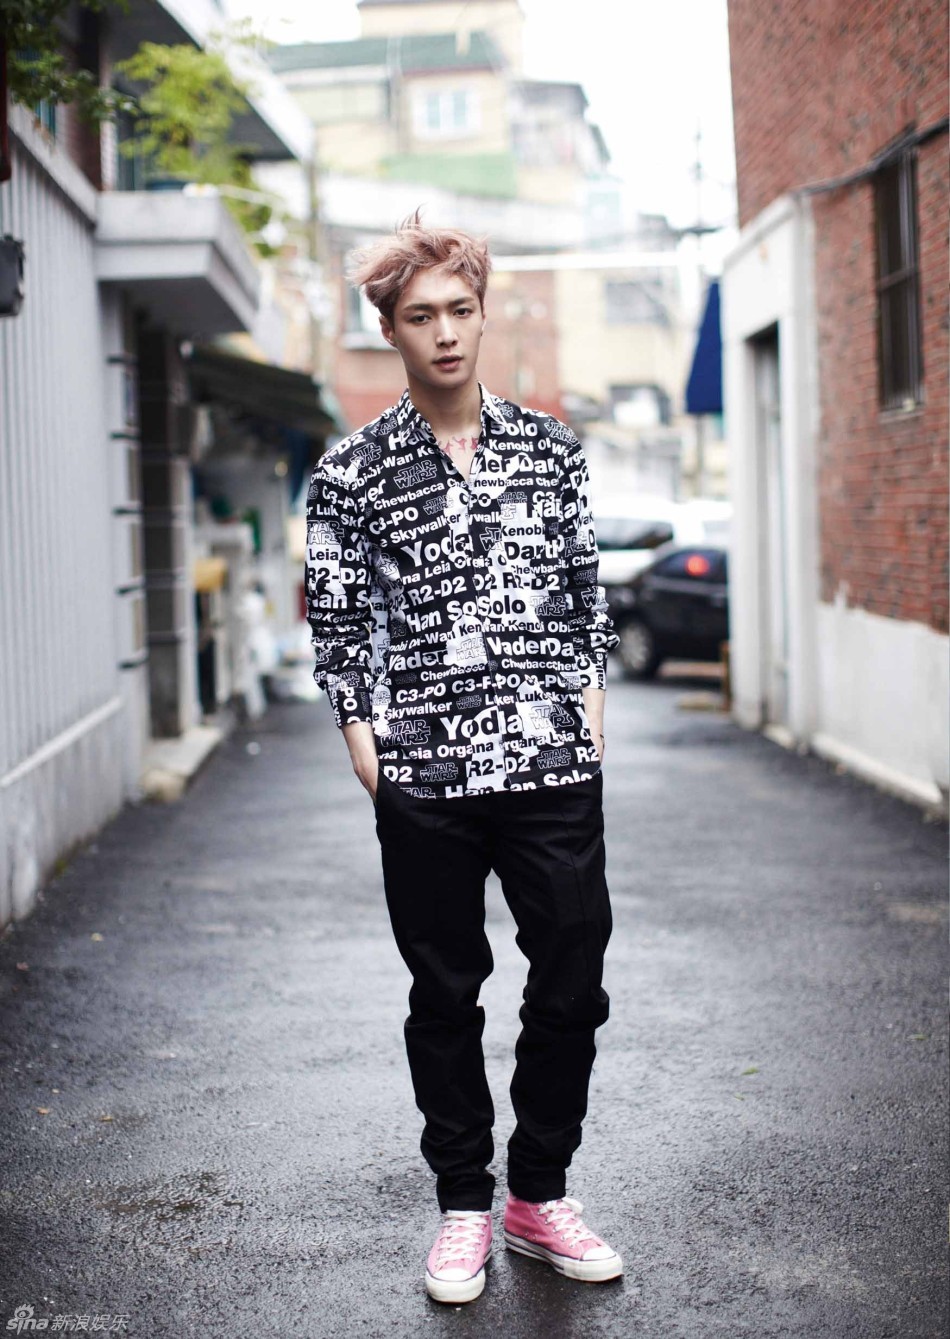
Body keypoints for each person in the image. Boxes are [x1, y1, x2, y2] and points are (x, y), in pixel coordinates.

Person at [304, 213, 622, 1305]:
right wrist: (367, 743)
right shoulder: (350, 472)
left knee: (572, 978)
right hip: (426, 775)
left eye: (459, 309)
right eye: (419, 315)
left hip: (551, 764)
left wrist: (585, 707)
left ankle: (538, 1193)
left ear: (483, 315)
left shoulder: (550, 450)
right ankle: (461, 1205)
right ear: (389, 329)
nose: (443, 332)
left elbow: (583, 592)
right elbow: (338, 621)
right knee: (445, 991)